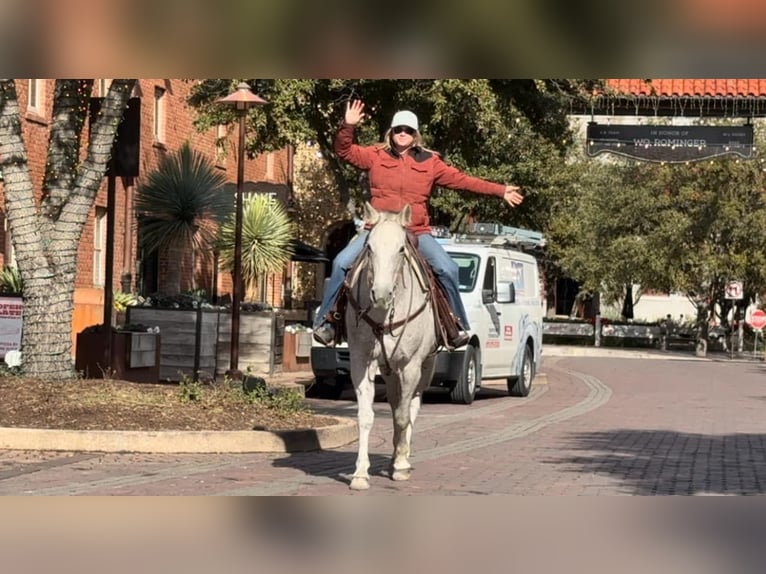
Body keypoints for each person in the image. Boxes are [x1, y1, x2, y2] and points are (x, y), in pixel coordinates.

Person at [313, 99, 524, 347]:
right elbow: (344, 151)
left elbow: (463, 181)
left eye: (408, 130)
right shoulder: (375, 156)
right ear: (391, 132)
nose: (403, 134)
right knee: (340, 263)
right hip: (377, 229)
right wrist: (347, 126)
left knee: (448, 269)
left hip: (416, 231)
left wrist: (500, 190)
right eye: (399, 129)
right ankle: (328, 322)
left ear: (415, 135)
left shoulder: (430, 162)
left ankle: (454, 324)